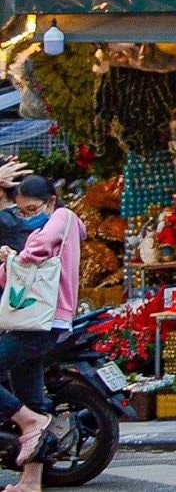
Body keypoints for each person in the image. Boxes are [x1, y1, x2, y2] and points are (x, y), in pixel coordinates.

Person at [0, 177, 84, 492]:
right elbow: (20, 274)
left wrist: (15, 257)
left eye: (32, 209)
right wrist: (9, 260)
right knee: (32, 398)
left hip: (43, 322)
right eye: (22, 212)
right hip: (34, 323)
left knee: (30, 412)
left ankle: (29, 422)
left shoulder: (63, 218)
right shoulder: (46, 226)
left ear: (50, 201)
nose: (27, 216)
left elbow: (37, 251)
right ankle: (31, 480)